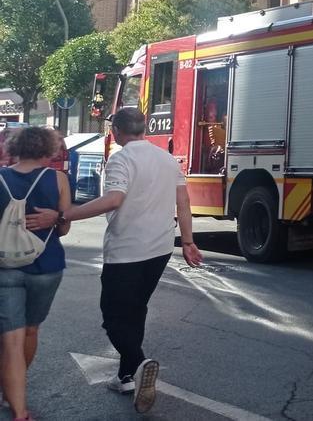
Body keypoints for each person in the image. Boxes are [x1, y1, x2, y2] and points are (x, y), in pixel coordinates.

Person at [32, 109, 202, 414]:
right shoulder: (166, 158)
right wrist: (188, 241)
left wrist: (62, 214)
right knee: (136, 309)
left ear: (118, 130)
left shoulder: (121, 159)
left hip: (127, 249)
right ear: (144, 128)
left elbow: (113, 200)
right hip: (161, 248)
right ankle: (126, 376)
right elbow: (184, 202)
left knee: (112, 315)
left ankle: (138, 363)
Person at [0, 127, 71, 421]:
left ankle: (18, 410)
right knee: (30, 330)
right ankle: (11, 391)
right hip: (47, 266)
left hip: (4, 266)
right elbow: (64, 227)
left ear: (14, 147)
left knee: (10, 340)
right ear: (47, 150)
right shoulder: (58, 179)